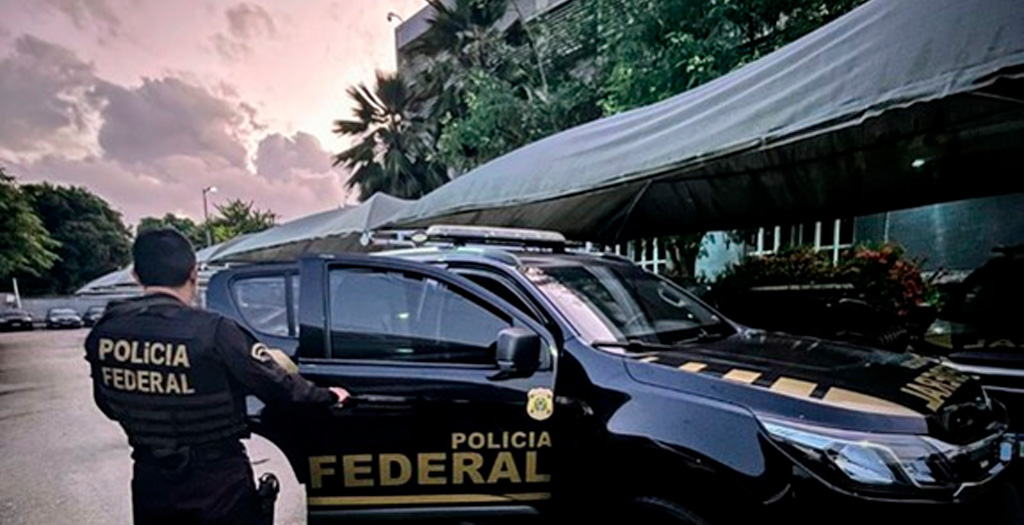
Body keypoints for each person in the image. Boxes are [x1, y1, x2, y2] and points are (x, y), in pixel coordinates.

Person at [84, 229, 348, 524]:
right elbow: (278, 386)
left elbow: (107, 404)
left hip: (151, 481)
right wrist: (328, 395)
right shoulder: (214, 331)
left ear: (135, 275)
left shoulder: (106, 331)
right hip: (217, 482)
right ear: (193, 271)